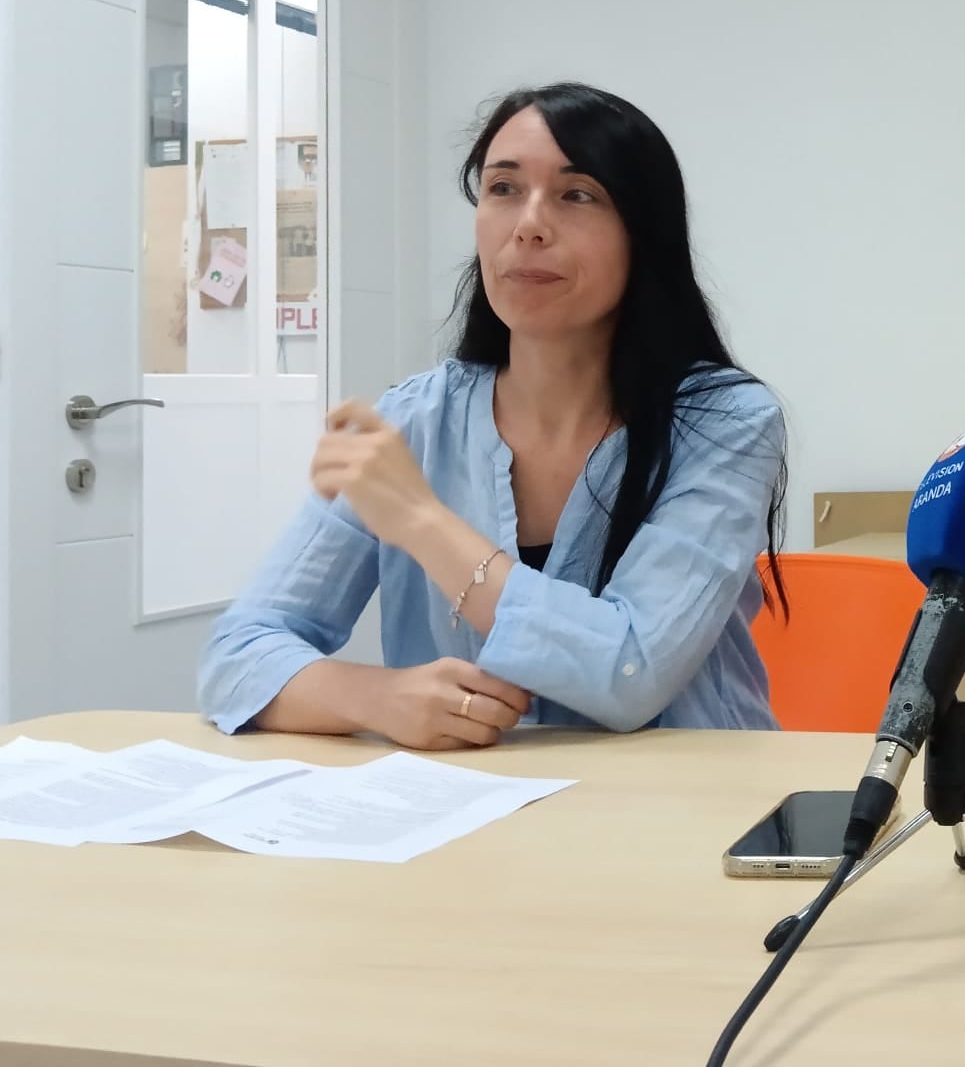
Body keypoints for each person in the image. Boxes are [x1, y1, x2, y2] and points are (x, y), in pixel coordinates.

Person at [197, 82, 787, 748]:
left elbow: (629, 672)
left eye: (577, 194)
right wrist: (378, 698)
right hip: (471, 821)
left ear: (642, 233)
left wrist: (421, 520)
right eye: (503, 189)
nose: (528, 223)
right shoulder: (415, 420)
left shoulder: (724, 422)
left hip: (692, 813)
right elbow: (236, 656)